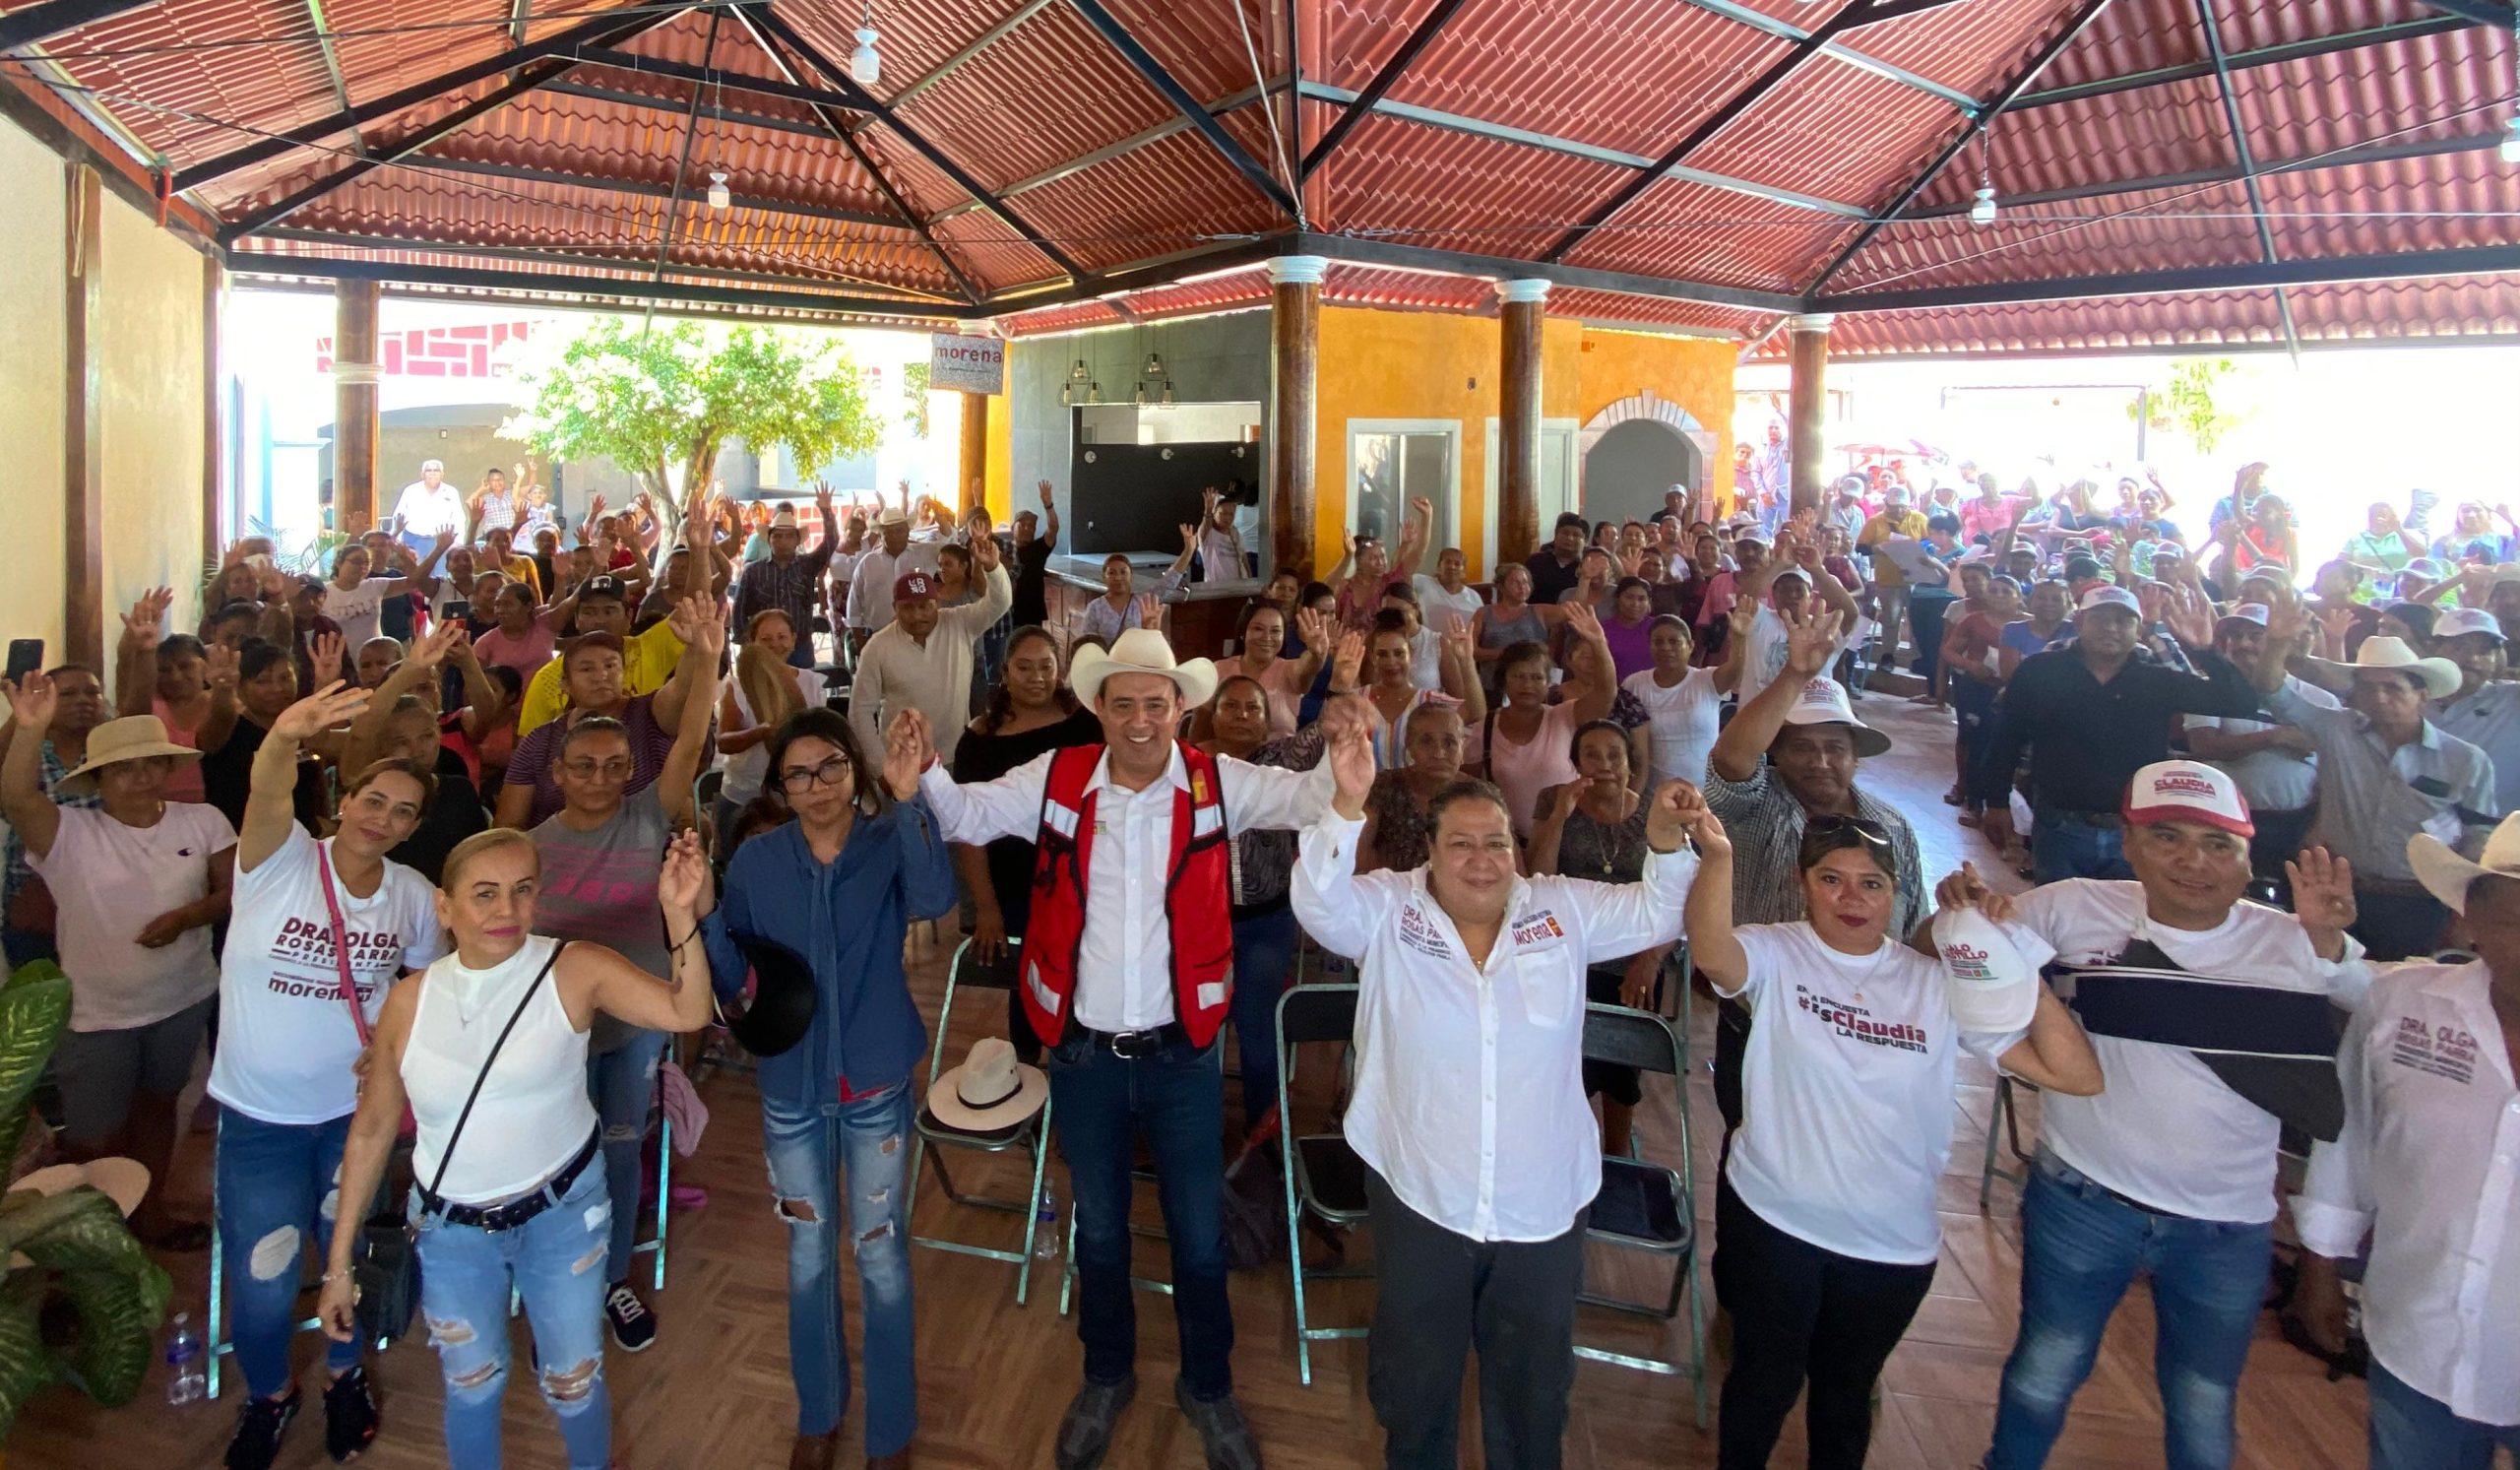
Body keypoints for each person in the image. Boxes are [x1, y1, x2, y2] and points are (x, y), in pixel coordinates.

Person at [911, 629, 1364, 1470]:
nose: (1141, 718)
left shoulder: (1216, 780)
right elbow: (968, 813)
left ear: (1180, 709)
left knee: (1197, 1236)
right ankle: (1107, 1373)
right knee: (1103, 1231)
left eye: (1156, 703)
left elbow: (1307, 801)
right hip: (1082, 1054)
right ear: (1098, 710)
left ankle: (1208, 1384)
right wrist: (931, 768)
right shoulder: (1060, 776)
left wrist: (1344, 759)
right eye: (1123, 703)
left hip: (1184, 1056)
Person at [1294, 727, 1695, 1470]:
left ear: (1516, 849)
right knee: (1417, 1379)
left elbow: (1656, 912)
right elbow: (1319, 903)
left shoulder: (1559, 910)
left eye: (1496, 844)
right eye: (1461, 844)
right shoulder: (1388, 910)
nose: (1482, 860)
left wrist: (1668, 845)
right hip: (1421, 1187)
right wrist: (1347, 805)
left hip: (1541, 1197)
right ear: (1430, 851)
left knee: (1533, 1386)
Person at [1965, 762, 2369, 1470]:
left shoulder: (2298, 941)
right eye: (2168, 836)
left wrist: (2331, 948)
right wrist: (1965, 914)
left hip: (2225, 1229)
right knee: (2042, 1374)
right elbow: (1964, 956)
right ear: (2127, 841)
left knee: (2204, 1403)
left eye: (2219, 844)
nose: (2194, 861)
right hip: (2082, 1199)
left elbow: (2379, 1007)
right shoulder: (2071, 906)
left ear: (2249, 855)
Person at [1689, 796, 2102, 1470]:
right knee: (1763, 1384)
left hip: (1890, 1245)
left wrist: (2005, 953)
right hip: (1774, 1221)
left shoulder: (1937, 985)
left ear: (1898, 894)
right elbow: (1712, 953)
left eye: (1872, 883)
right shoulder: (1778, 951)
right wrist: (1720, 857)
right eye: (1831, 878)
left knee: (1846, 1398)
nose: (1851, 897)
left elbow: (2074, 1073)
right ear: (1804, 884)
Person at [315, 826, 714, 1470]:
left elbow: (687, 1011)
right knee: (472, 1385)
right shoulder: (409, 1003)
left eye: (522, 891)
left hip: (563, 1215)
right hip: (451, 1229)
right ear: (445, 907)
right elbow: (370, 1129)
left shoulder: (574, 967)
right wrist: (338, 1265)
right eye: (485, 893)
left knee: (573, 1381)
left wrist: (677, 911)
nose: (506, 910)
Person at [701, 704, 952, 1470]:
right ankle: (820, 1413)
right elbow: (730, 967)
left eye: (831, 767)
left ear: (854, 766)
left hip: (874, 1079)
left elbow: (938, 898)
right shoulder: (757, 862)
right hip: (790, 1088)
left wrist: (909, 799)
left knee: (879, 1251)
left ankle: (890, 1432)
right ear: (780, 783)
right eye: (799, 773)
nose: (817, 786)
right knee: (808, 1252)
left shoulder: (885, 839)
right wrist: (697, 910)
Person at [211, 681, 442, 1469]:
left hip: (356, 1122)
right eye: (373, 799)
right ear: (345, 797)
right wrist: (282, 736)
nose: (383, 817)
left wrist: (389, 1046)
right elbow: (268, 784)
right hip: (258, 1121)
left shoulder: (413, 898)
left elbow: (419, 997)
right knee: (268, 1278)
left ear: (414, 827)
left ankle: (345, 1377)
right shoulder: (278, 861)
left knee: (344, 1263)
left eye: (402, 811)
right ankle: (271, 1395)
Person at [2294, 813, 2520, 1470]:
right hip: (2418, 1336)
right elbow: (2350, 1143)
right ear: (2469, 920)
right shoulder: (2401, 1006)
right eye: (2517, 918)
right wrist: (2320, 1268)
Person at [529, 600, 721, 1355]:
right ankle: (557, 1286)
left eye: (615, 765)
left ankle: (609, 1279)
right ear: (557, 772)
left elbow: (693, 738)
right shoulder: (531, 846)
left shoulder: (650, 815)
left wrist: (705, 653)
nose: (601, 777)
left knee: (614, 1147)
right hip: (559, 1030)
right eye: (585, 765)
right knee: (555, 1154)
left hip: (638, 1020)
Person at [2, 681, 233, 1246]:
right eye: (123, 769)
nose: (141, 777)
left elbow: (230, 894)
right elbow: (15, 798)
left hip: (180, 1000)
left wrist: (187, 917)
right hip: (97, 1015)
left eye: (151, 764)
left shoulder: (201, 821)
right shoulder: (69, 833)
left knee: (159, 1110)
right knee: (91, 1137)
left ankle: (149, 1216)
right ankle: (88, 1248)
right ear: (98, 779)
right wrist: (30, 727)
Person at [2247, 604, 2497, 959]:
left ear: (2422, 696)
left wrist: (2463, 907)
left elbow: (2478, 836)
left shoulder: (2465, 759)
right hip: (2337, 889)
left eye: (2393, 689)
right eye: (2368, 688)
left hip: (2416, 901)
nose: (2379, 698)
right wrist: (2276, 643)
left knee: (2400, 989)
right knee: (2328, 980)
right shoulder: (2337, 729)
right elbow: (2270, 689)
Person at [1974, 585, 2262, 882]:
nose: (2111, 628)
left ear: (2139, 630)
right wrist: (1995, 802)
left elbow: (2239, 702)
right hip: (2058, 826)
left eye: (2123, 621)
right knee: (2059, 917)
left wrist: (2204, 650)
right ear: (2079, 623)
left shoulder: (2156, 679)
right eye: (2100, 618)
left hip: (2136, 832)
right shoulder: (2041, 671)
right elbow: (2007, 737)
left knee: (2131, 921)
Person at [1526, 720, 1684, 1157]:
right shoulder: (1554, 800)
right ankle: (1562, 1142)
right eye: (1591, 755)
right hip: (1565, 949)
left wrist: (1650, 960)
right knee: (1559, 1055)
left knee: (1621, 1046)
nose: (1605, 765)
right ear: (1576, 763)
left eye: (1614, 754)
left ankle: (1616, 1149)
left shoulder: (1656, 813)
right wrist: (1559, 815)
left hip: (1635, 952)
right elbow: (1538, 880)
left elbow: (1675, 899)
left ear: (1630, 763)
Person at [951, 626, 1105, 1061]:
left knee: (1086, 980)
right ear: (1004, 673)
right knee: (1030, 987)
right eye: (1024, 667)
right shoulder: (980, 740)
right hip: (1015, 886)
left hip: (1083, 881)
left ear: (1060, 672)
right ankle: (1027, 1082)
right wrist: (985, 907)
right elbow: (969, 829)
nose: (1037, 677)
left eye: (1046, 667)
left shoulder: (1086, 726)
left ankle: (1081, 1077)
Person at [1196, 675, 1329, 1137]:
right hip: (1200, 925)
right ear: (1212, 715)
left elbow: (1320, 736)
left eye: (1251, 708)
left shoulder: (1281, 759)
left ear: (1266, 718)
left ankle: (1262, 1136)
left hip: (1266, 920)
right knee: (1199, 1031)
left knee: (1257, 1031)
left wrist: (1345, 685)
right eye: (1230, 707)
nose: (1240, 716)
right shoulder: (1190, 764)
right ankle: (1197, 1129)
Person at [497, 598, 714, 828]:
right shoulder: (539, 741)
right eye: (587, 668)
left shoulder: (651, 713)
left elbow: (681, 689)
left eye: (611, 666)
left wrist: (696, 649)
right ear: (565, 683)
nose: (601, 675)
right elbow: (509, 825)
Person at [2177, 604, 2330, 885]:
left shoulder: (2319, 699)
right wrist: (2274, 737)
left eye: (2254, 636)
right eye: (2235, 636)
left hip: (2297, 823)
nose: (2243, 644)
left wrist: (2317, 828)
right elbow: (2204, 746)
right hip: (2224, 820)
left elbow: (2332, 776)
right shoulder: (2205, 690)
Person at [850, 546, 1014, 768]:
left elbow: (1000, 602)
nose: (918, 615)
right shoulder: (878, 646)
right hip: (901, 761)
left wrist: (992, 568)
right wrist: (880, 767)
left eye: (925, 606)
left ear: (937, 603)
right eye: (907, 608)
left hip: (954, 757)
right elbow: (860, 710)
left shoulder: (960, 623)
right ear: (894, 608)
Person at [0, 663, 105, 967]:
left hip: (103, 901)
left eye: (92, 692)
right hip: (35, 904)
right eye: (68, 694)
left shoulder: (113, 757)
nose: (83, 700)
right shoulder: (27, 753)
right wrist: (23, 718)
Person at [1480, 608, 1615, 841]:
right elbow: (1472, 790)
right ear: (1503, 680)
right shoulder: (1486, 726)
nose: (1527, 685)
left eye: (1536, 678)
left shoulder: (1566, 715)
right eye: (1519, 676)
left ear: (1548, 683)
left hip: (1568, 840)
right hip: (1509, 843)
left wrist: (1598, 643)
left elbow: (1606, 693)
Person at [717, 609, 831, 848]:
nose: (775, 645)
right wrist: (760, 732)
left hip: (796, 796)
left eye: (781, 637)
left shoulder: (810, 682)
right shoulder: (737, 687)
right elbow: (724, 742)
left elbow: (822, 738)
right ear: (753, 644)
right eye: (766, 639)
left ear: (793, 639)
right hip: (745, 796)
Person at [1623, 611, 1740, 792]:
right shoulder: (1634, 684)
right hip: (1655, 795)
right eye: (1658, 642)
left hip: (1707, 793)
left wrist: (1741, 638)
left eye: (1674, 641)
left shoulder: (1707, 680)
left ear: (1691, 646)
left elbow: (1736, 667)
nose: (1665, 647)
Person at [2426, 606, 2520, 819]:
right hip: (2415, 833)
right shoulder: (2407, 698)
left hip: (2498, 838)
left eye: (2485, 651)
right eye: (2460, 647)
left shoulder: (2512, 699)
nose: (2473, 659)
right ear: (2432, 649)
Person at [735, 488, 843, 670]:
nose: (782, 541)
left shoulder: (807, 565)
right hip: (763, 648)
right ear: (769, 540)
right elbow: (739, 612)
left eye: (789, 536)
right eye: (777, 536)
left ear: (797, 541)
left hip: (799, 646)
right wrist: (747, 645)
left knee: (801, 694)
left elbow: (831, 542)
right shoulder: (753, 572)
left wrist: (826, 511)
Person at [1205, 602, 1320, 739]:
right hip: (1224, 759)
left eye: (1275, 631)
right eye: (1258, 629)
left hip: (1279, 759)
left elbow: (1309, 668)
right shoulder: (1218, 670)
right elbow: (1200, 732)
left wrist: (1316, 654)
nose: (1267, 637)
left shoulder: (1290, 670)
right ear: (1243, 632)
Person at [845, 507, 944, 648]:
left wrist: (944, 522)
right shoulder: (867, 563)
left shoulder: (925, 553)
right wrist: (860, 641)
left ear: (908, 531)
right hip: (879, 637)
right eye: (888, 532)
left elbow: (949, 546)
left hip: (920, 636)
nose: (894, 536)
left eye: (899, 530)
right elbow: (854, 604)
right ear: (880, 534)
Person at [1470, 563, 1562, 700]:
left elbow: (1574, 611)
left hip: (1533, 687)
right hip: (1492, 686)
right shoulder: (1483, 613)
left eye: (1525, 582)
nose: (1522, 587)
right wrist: (1506, 654)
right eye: (1515, 582)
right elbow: (1471, 649)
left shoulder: (1540, 611)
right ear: (1501, 586)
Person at [1077, 550, 1181, 647]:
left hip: (1136, 662)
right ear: (1104, 577)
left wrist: (1188, 551)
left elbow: (1167, 583)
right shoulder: (1095, 607)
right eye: (1111, 573)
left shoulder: (1142, 602)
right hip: (1107, 663)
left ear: (1131, 576)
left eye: (1123, 572)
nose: (1118, 578)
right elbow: (1089, 644)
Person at [1010, 480, 1061, 629]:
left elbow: (1053, 528)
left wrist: (1049, 505)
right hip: (1006, 615)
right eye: (1023, 525)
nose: (1027, 528)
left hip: (1031, 615)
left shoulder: (1038, 549)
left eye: (1031, 526)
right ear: (1013, 527)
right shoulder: (1003, 550)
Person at [390, 459, 466, 551]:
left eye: (436, 471)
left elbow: (459, 519)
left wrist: (458, 543)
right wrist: (397, 539)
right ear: (422, 474)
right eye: (428, 471)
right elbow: (398, 517)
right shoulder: (410, 491)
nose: (432, 473)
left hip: (442, 543)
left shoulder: (451, 492)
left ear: (442, 475)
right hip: (412, 541)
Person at [1413, 544, 1482, 640]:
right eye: (1447, 562)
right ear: (1439, 566)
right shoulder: (1423, 582)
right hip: (1428, 645)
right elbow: (1402, 575)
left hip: (1461, 648)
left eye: (1457, 564)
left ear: (1464, 572)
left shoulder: (1473, 596)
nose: (1452, 567)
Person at [1524, 512, 1591, 606]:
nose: (1570, 538)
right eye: (1565, 533)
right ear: (1555, 534)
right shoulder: (1536, 562)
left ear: (1586, 541)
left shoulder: (1587, 567)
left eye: (1576, 535)